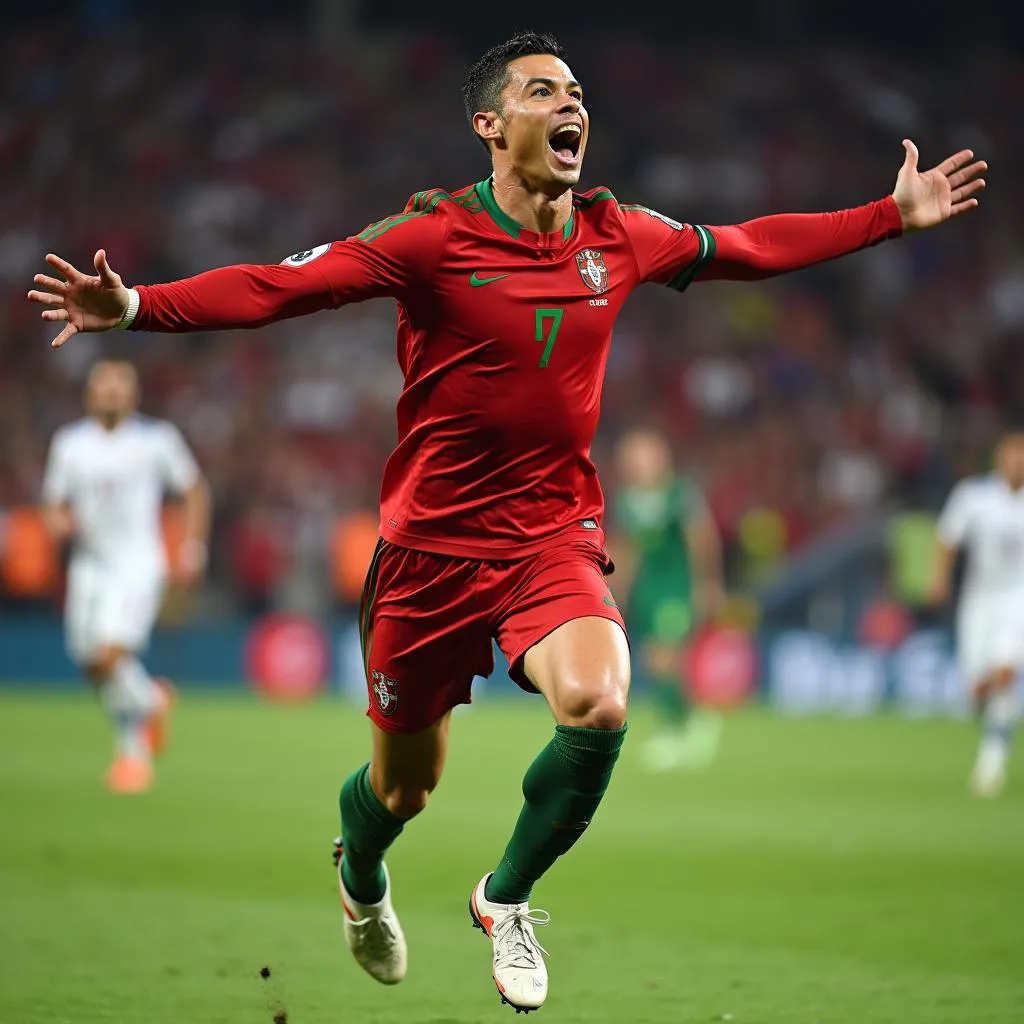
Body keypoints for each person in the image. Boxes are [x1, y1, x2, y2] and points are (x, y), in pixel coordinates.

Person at [28, 30, 985, 1013]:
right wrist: (136, 303)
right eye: (540, 91)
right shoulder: (431, 237)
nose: (569, 104)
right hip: (426, 556)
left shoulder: (619, 234)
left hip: (549, 538)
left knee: (601, 701)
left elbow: (743, 245)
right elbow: (282, 286)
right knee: (403, 789)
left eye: (573, 90)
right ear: (491, 126)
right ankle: (359, 873)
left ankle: (507, 895)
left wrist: (887, 216)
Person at [41, 361, 210, 794]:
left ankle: (132, 757)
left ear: (134, 394)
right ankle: (152, 700)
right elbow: (53, 502)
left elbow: (193, 489)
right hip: (88, 567)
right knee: (90, 663)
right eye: (105, 385)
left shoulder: (157, 440)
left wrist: (193, 547)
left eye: (122, 385)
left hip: (137, 565)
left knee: (109, 656)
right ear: (90, 393)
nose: (113, 392)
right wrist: (59, 523)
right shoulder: (70, 444)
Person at [613, 427, 725, 772]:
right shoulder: (626, 501)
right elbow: (627, 552)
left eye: (643, 455)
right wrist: (616, 594)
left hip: (678, 589)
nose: (636, 463)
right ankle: (691, 723)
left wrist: (709, 584)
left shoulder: (679, 494)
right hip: (648, 591)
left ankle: (681, 730)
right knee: (655, 661)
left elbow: (702, 540)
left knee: (663, 657)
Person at [930, 428, 1024, 798]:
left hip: (1018, 599)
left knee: (1005, 673)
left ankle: (991, 762)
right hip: (979, 600)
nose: (1018, 463)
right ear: (998, 459)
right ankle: (986, 715)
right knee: (978, 687)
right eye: (1013, 456)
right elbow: (946, 537)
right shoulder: (974, 496)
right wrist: (939, 578)